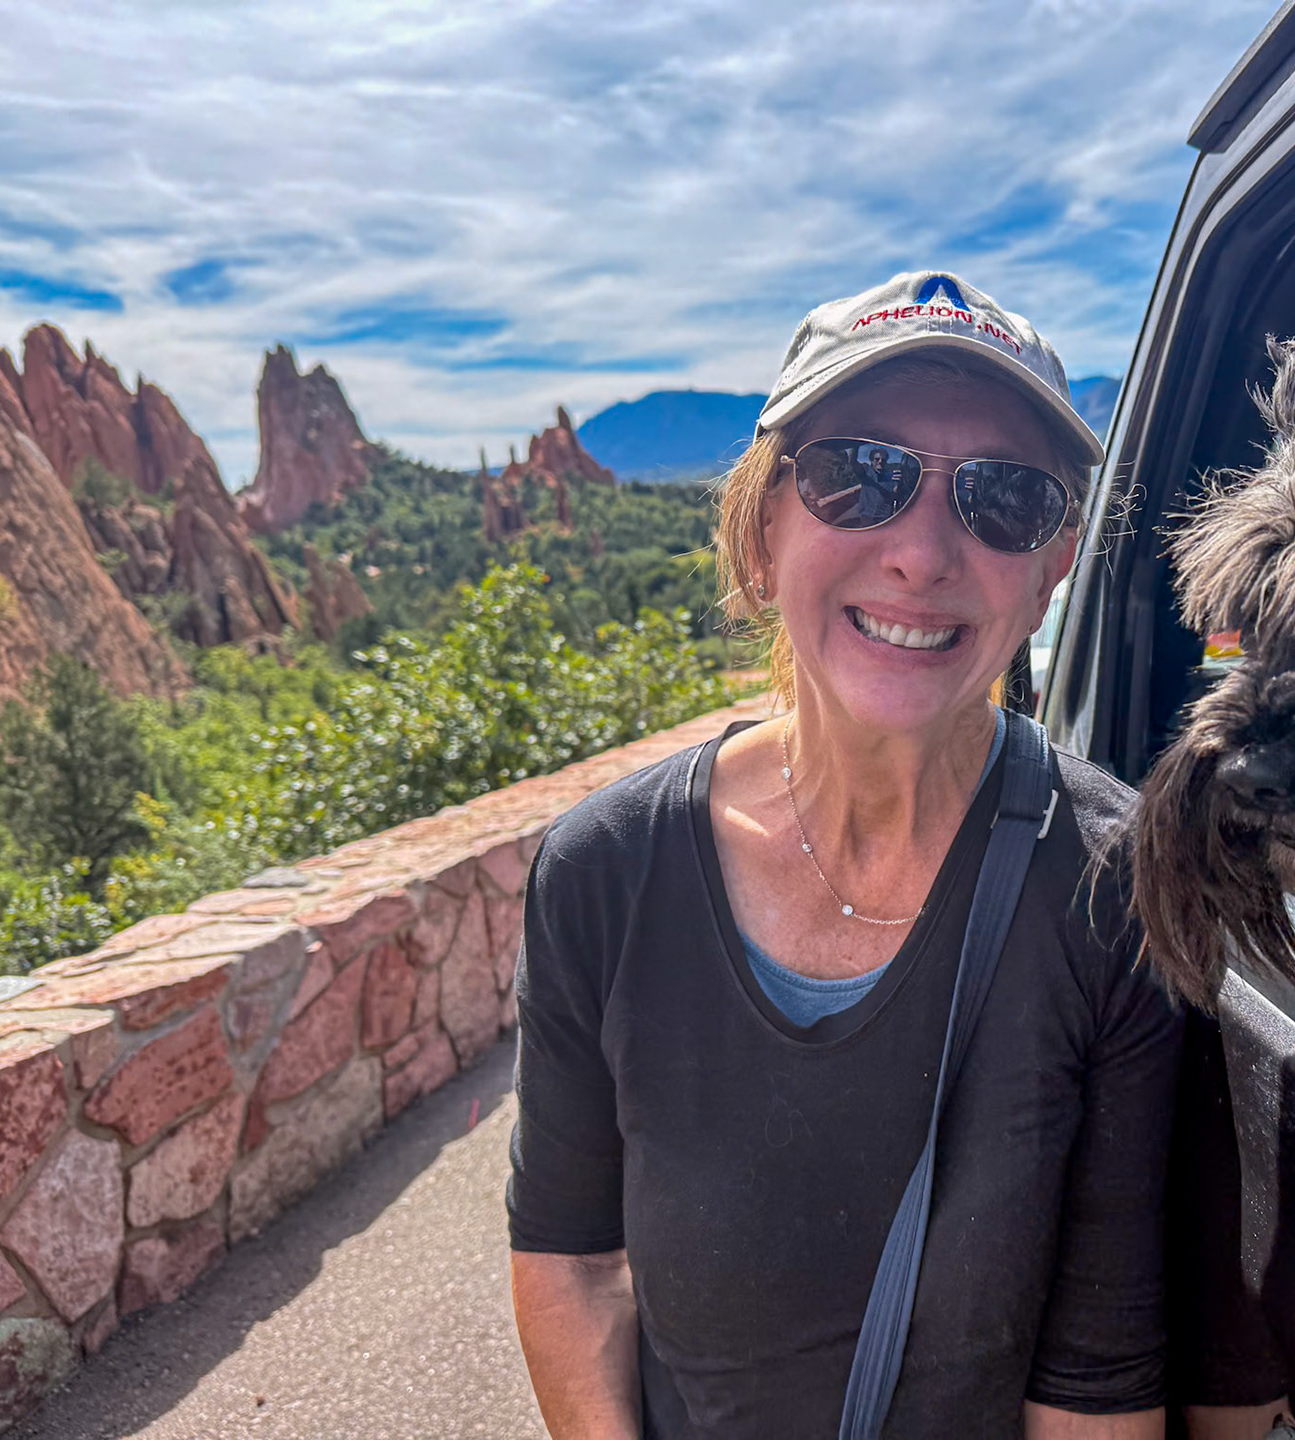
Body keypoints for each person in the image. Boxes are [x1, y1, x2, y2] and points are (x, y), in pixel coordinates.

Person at [507, 271, 1186, 1438]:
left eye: (1005, 499)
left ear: (1055, 562)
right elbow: (572, 1260)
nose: (922, 552)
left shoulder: (1111, 889)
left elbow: (1096, 1378)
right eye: (858, 475)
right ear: (767, 526)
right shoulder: (601, 875)